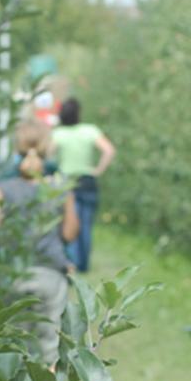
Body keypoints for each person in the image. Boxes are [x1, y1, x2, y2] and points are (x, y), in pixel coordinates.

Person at [0, 120, 79, 372]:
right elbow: (70, 234)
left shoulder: (1, 190)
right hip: (51, 273)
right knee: (50, 341)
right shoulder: (60, 188)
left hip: (16, 273)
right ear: (47, 150)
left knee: (18, 343)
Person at [52, 98, 116, 272]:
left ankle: (72, 261)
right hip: (87, 180)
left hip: (65, 182)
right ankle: (84, 265)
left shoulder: (58, 134)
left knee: (69, 221)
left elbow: (48, 156)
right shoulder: (90, 130)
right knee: (86, 224)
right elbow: (109, 150)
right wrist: (98, 170)